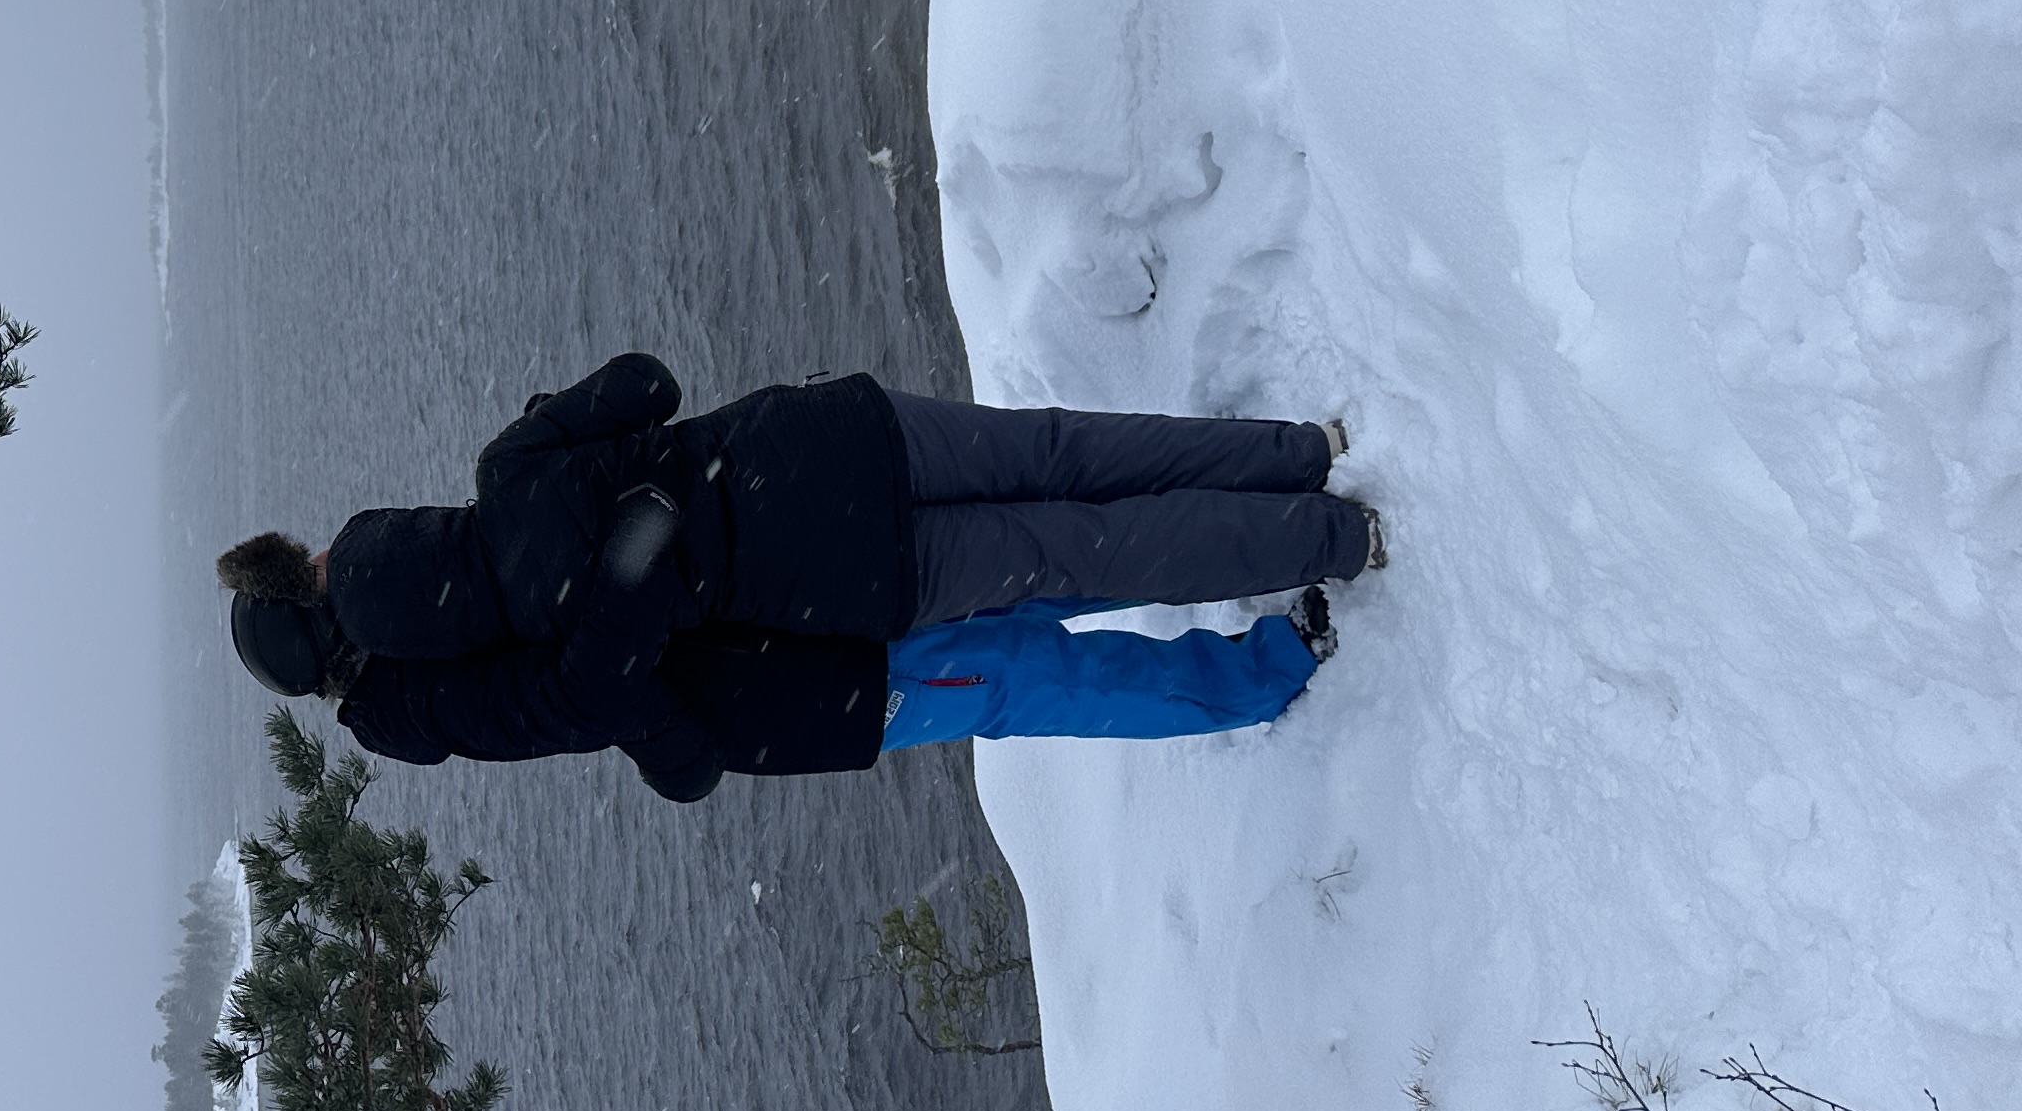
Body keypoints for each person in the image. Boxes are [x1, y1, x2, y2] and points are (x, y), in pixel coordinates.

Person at [214, 355, 1378, 804]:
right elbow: (648, 382)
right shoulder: (506, 483)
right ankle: (1297, 455)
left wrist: (675, 735)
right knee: (1068, 463)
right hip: (821, 443)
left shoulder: (484, 673)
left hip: (833, 618)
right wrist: (587, 450)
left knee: (1061, 613)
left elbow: (614, 687)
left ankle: (1313, 566)